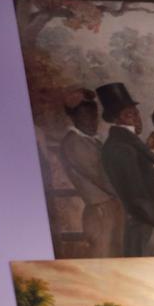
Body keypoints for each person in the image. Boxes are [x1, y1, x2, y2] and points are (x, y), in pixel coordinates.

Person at [96, 82, 154, 256]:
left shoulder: (128, 142)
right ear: (116, 119)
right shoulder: (119, 147)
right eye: (129, 115)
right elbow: (138, 200)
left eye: (136, 113)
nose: (137, 118)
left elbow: (148, 178)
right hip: (149, 233)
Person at [59, 87, 125, 257]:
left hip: (111, 209)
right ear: (73, 118)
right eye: (84, 116)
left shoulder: (92, 141)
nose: (91, 121)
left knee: (118, 258)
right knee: (105, 260)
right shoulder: (74, 143)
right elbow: (101, 177)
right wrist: (129, 196)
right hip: (101, 213)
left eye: (93, 115)